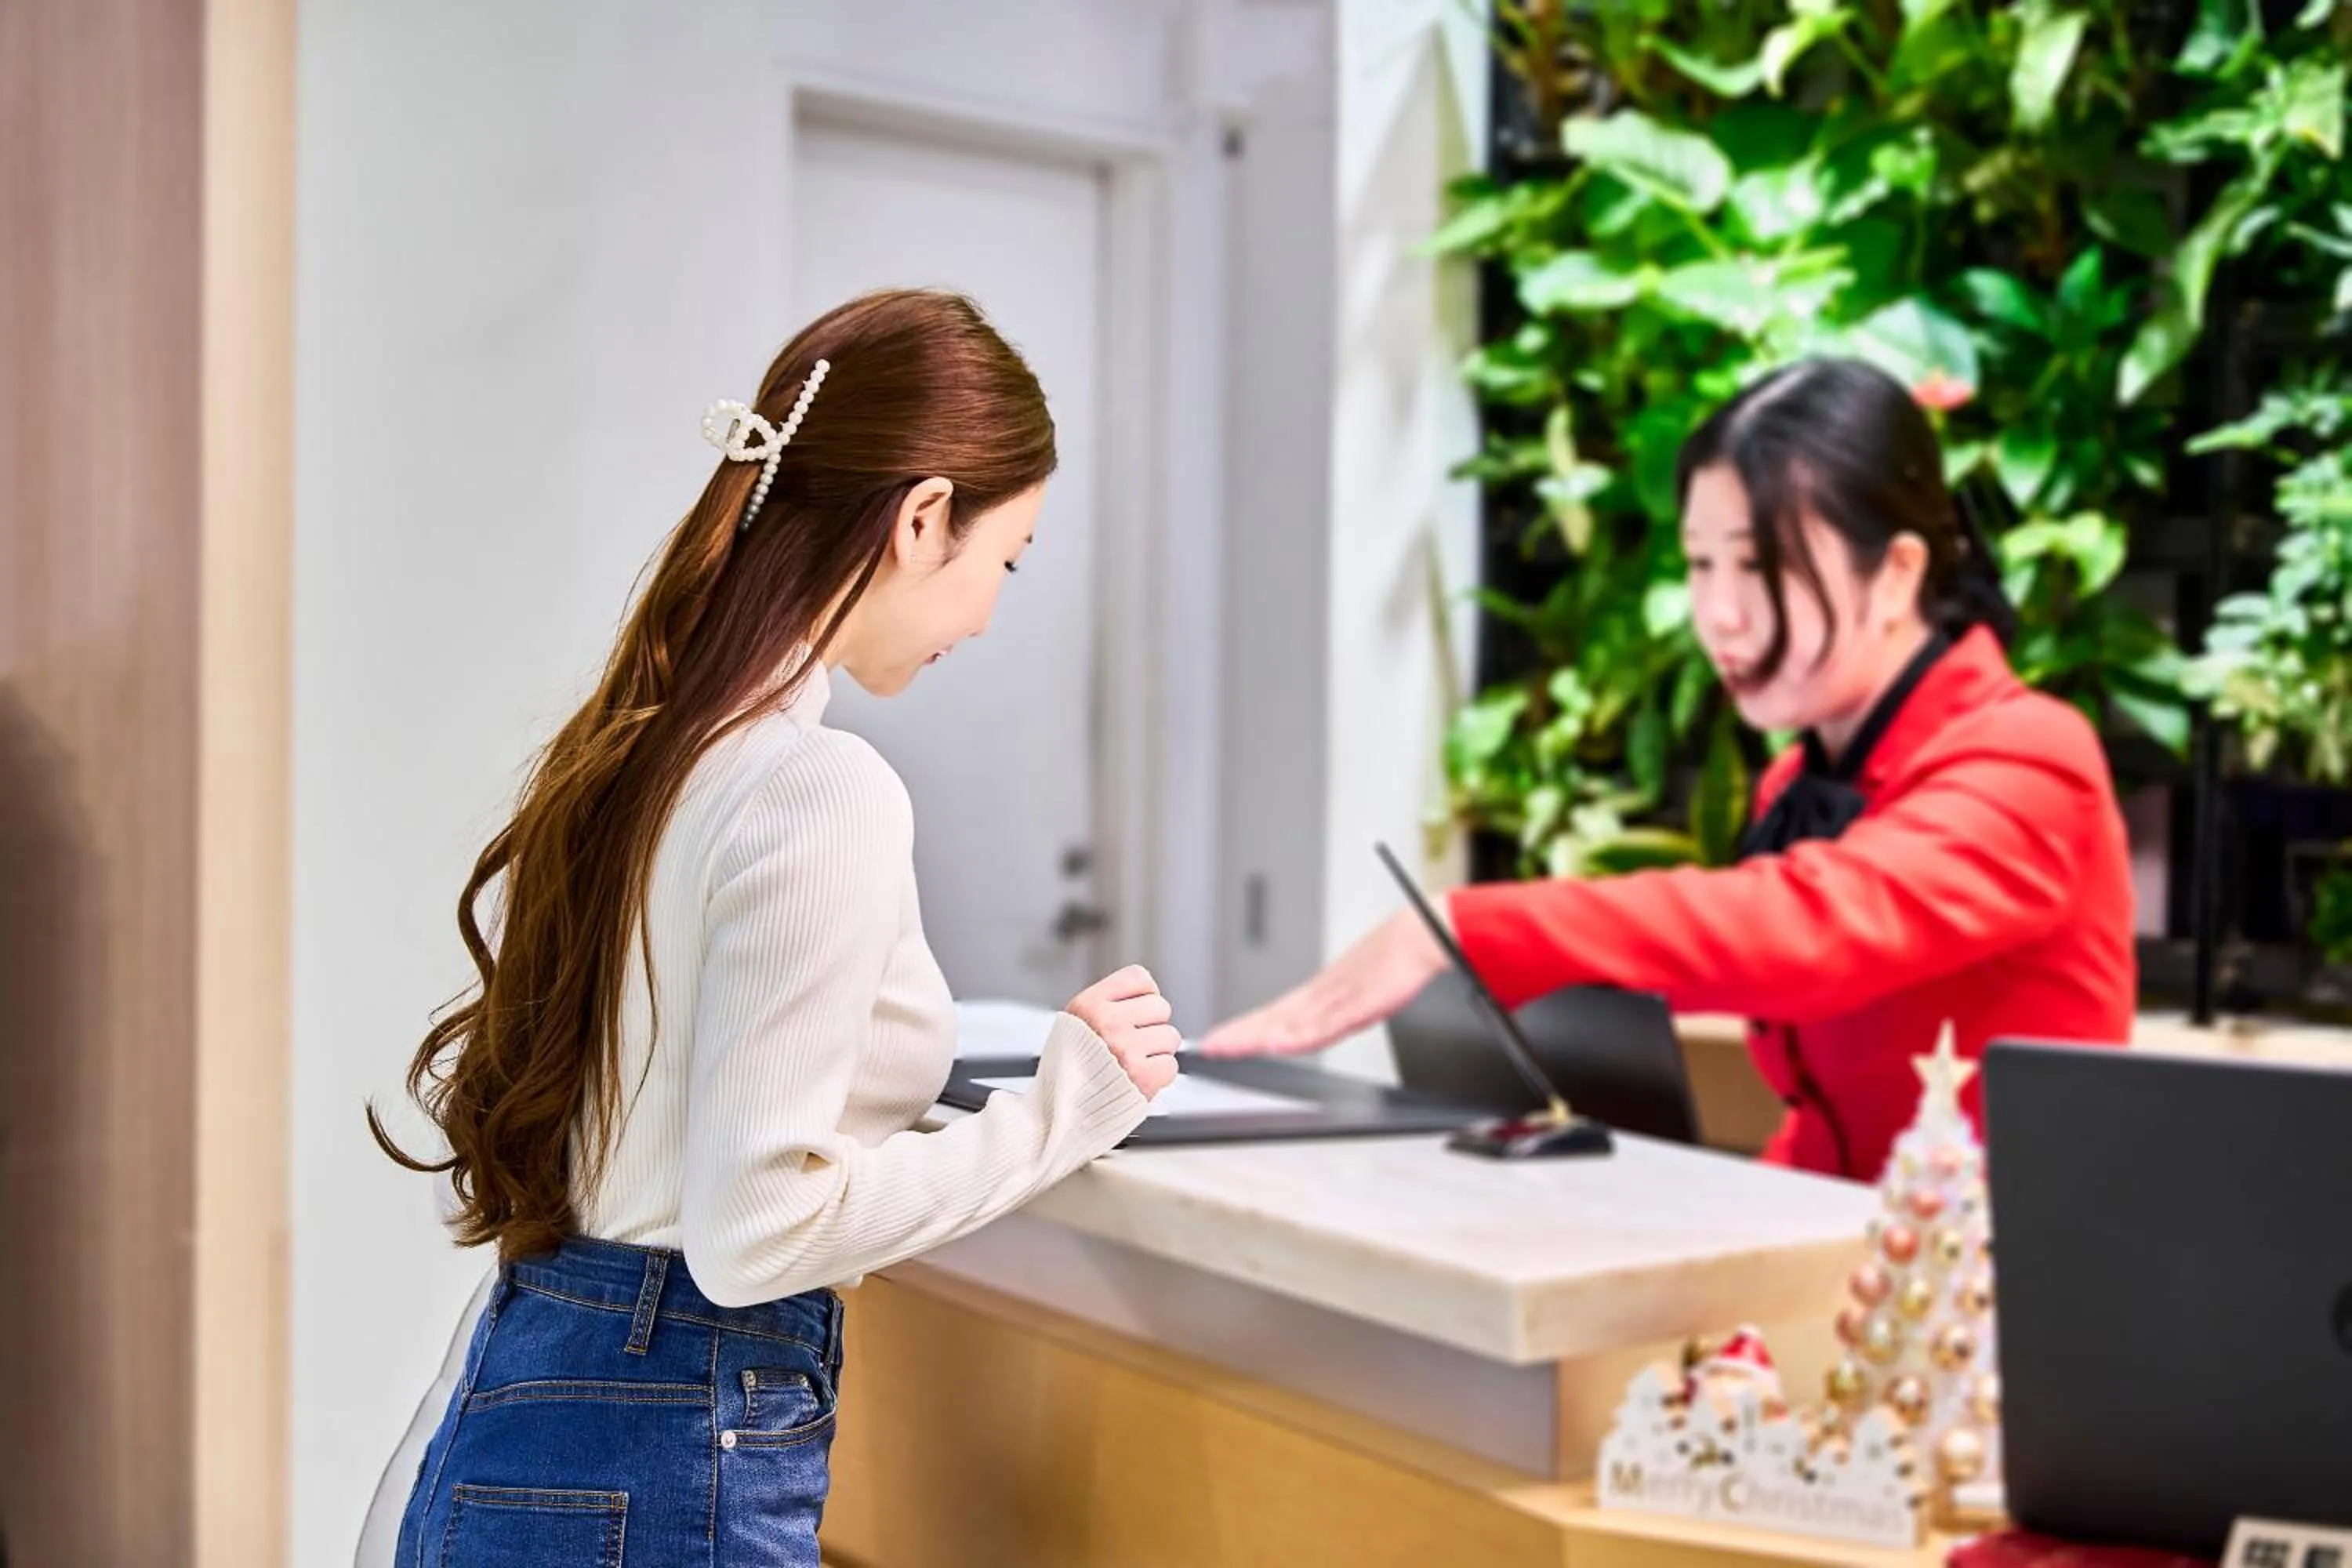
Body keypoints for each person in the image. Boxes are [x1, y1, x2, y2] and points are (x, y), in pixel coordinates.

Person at [366, 289, 1178, 1568]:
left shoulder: (644, 755)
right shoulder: (819, 789)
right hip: (663, 1444)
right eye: (1004, 559)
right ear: (923, 520)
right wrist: (1060, 1112)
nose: (988, 612)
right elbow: (758, 1236)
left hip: (528, 1399)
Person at [1203, 357, 2135, 1182]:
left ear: (1895, 573)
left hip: (2004, 1302)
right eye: (1699, 563)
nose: (1721, 613)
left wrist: (1471, 928)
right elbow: (1820, 1136)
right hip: (1855, 1268)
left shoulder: (2032, 755)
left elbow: (1808, 927)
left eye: (1759, 564)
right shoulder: (1796, 784)